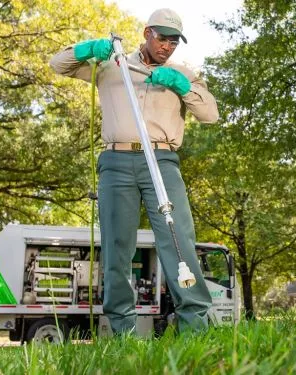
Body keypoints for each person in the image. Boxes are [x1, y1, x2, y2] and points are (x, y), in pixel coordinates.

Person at [50, 8, 218, 334]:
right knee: (116, 248)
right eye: (162, 38)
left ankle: (194, 329)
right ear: (146, 33)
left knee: (178, 240)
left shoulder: (184, 71)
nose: (167, 46)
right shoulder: (112, 66)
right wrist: (87, 49)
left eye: (173, 42)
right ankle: (121, 333)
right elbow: (58, 64)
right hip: (117, 163)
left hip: (163, 161)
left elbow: (210, 113)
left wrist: (181, 86)